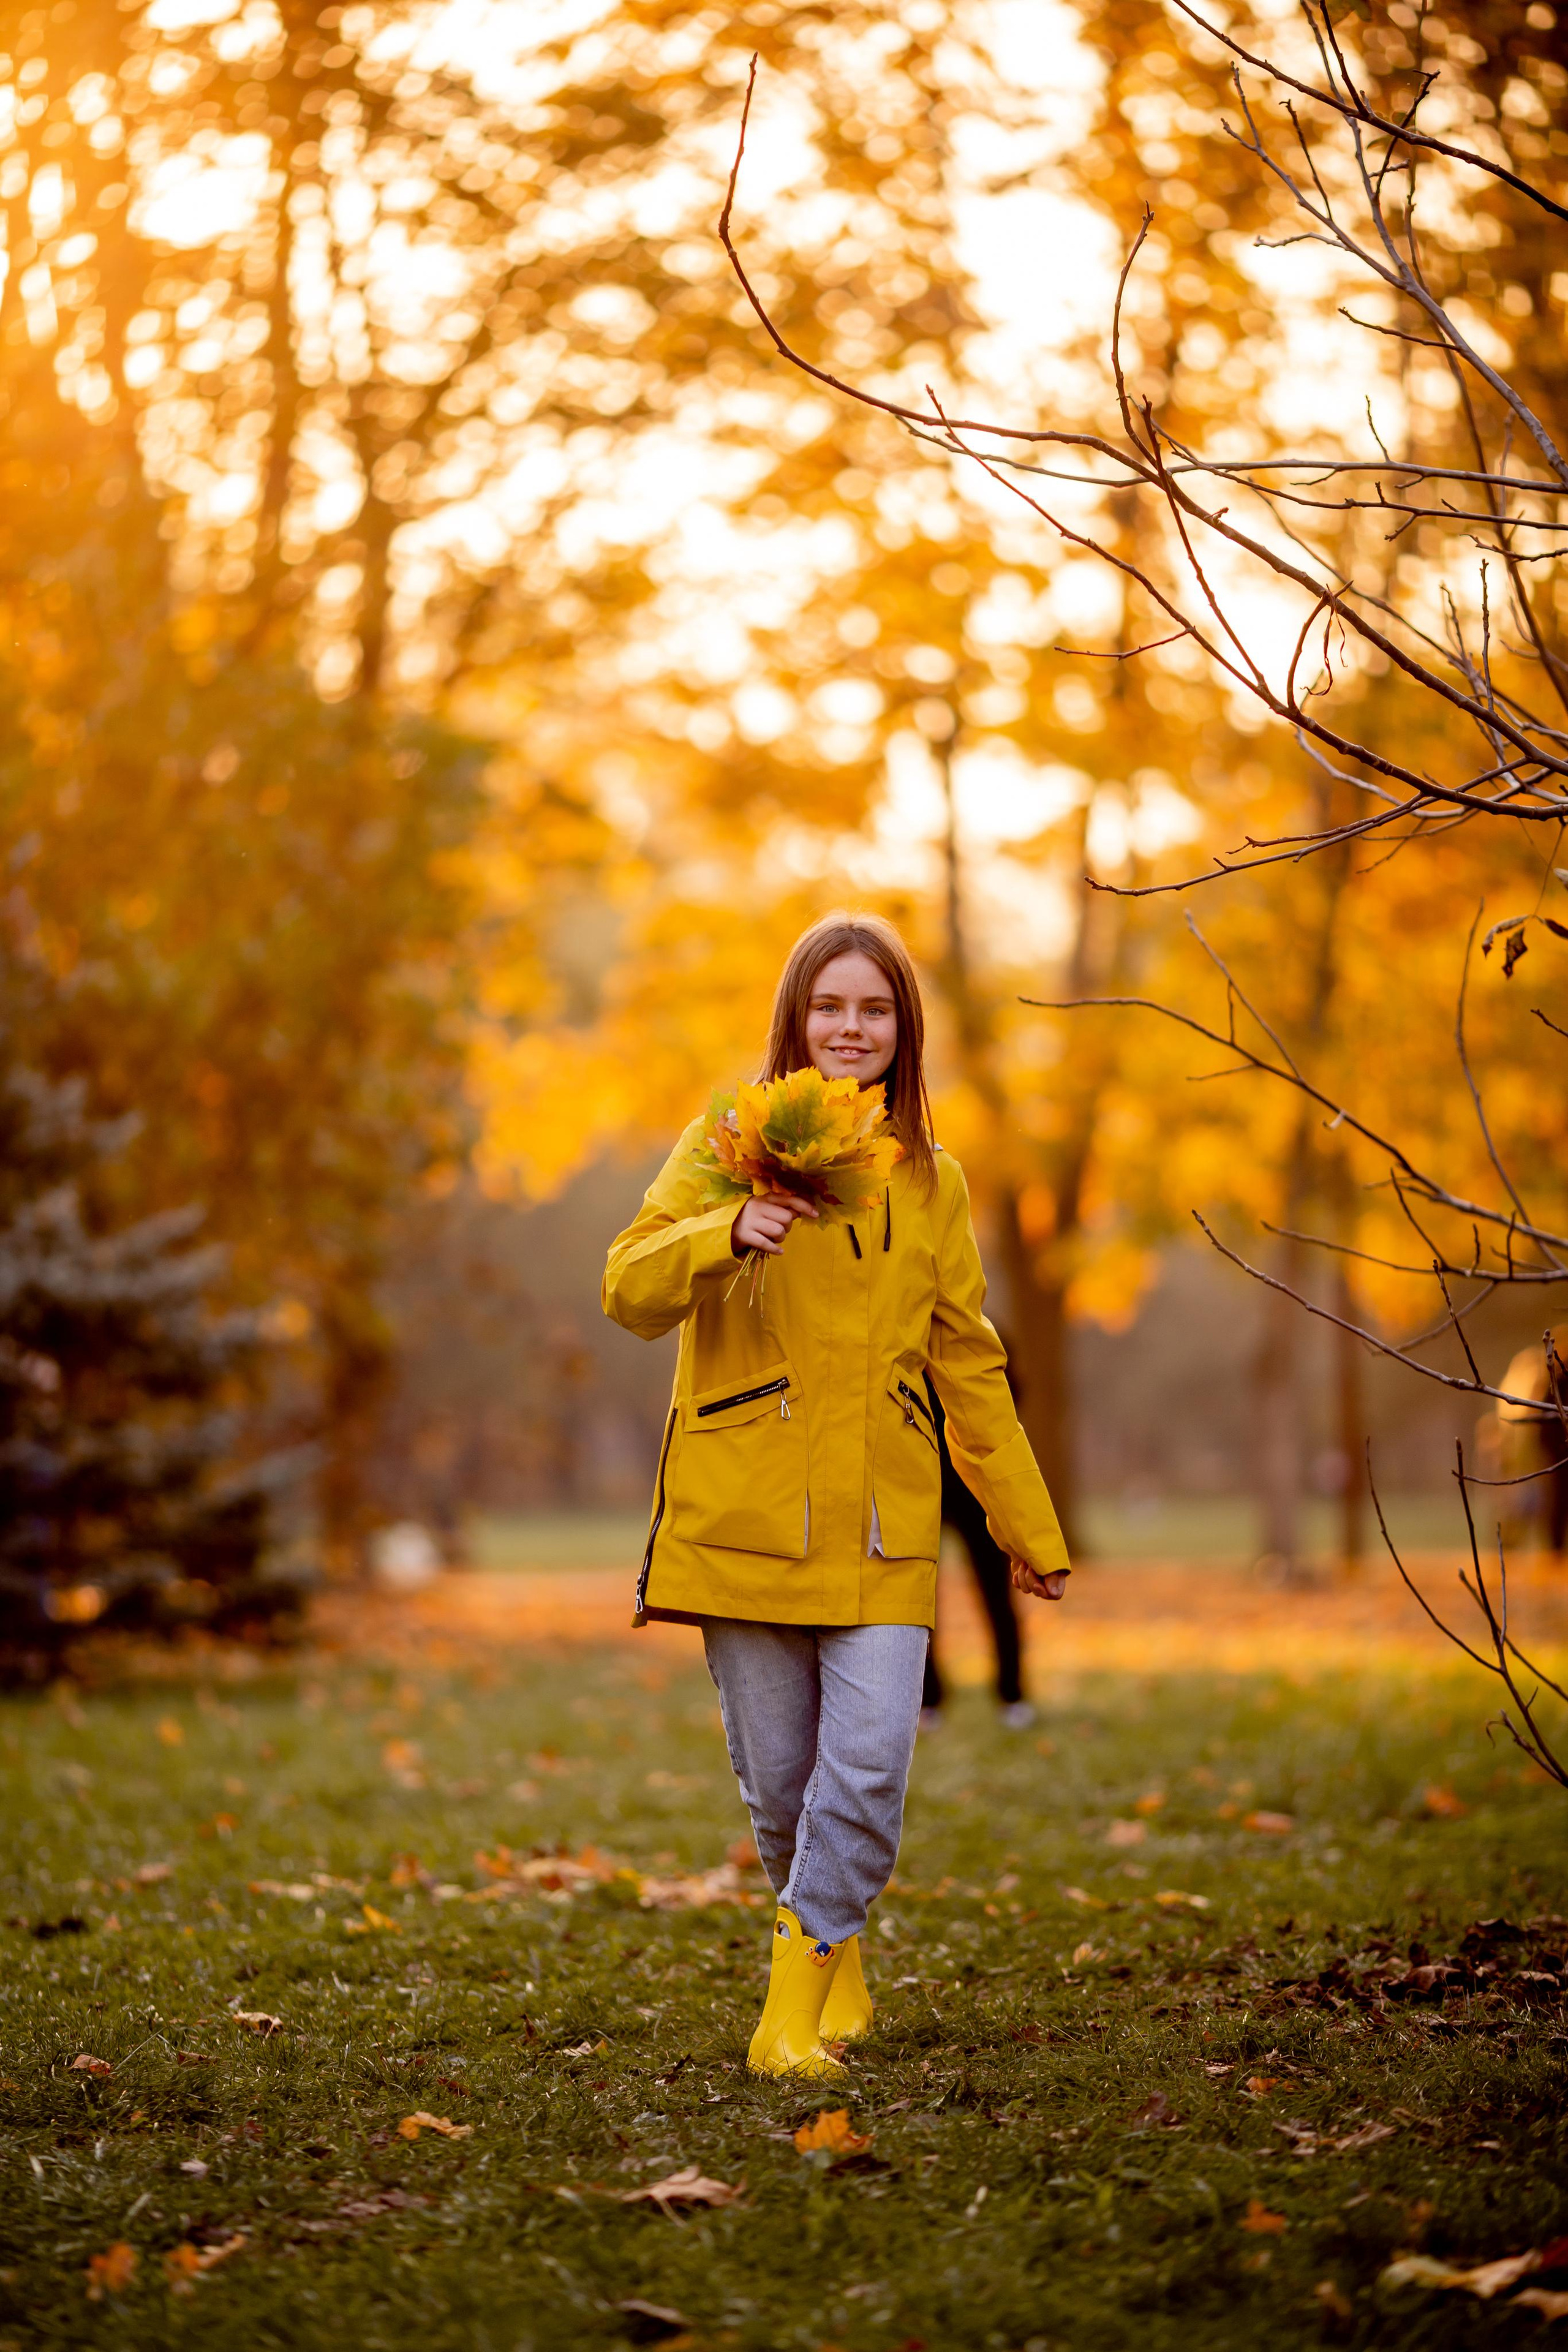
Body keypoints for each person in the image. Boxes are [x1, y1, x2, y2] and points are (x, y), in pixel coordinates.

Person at [601, 912, 1070, 2079]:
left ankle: (785, 2018)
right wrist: (726, 1227)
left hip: (883, 1522)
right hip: (743, 1516)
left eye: (874, 1009)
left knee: (866, 1770)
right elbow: (626, 1287)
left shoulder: (934, 1183)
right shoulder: (724, 1145)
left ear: (903, 1030)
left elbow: (970, 1359)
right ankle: (836, 1955)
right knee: (780, 1792)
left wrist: (1024, 1524)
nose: (851, 1029)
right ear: (796, 1020)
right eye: (830, 1007)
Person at [920, 1376, 1035, 1730]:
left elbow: (1007, 1398)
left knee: (997, 1592)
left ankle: (1012, 1693)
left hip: (974, 1484)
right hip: (920, 1481)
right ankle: (928, 1699)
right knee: (917, 1596)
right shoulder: (895, 1328)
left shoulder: (980, 1331)